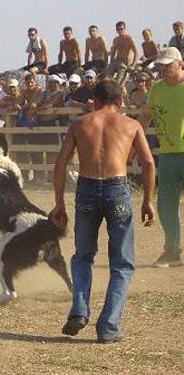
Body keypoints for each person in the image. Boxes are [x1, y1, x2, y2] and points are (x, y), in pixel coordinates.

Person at [51, 79, 155, 344]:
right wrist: (147, 200)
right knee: (121, 262)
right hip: (117, 189)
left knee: (83, 256)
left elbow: (61, 163)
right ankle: (108, 326)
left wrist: (59, 202)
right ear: (119, 102)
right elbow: (148, 162)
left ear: (94, 101)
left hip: (86, 188)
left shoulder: (80, 124)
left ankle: (79, 310)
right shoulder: (131, 125)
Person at [146, 47, 184, 267]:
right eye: (161, 66)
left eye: (168, 65)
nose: (163, 70)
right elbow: (145, 115)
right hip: (168, 154)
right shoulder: (156, 89)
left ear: (180, 63)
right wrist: (134, 141)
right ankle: (172, 251)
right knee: (165, 205)